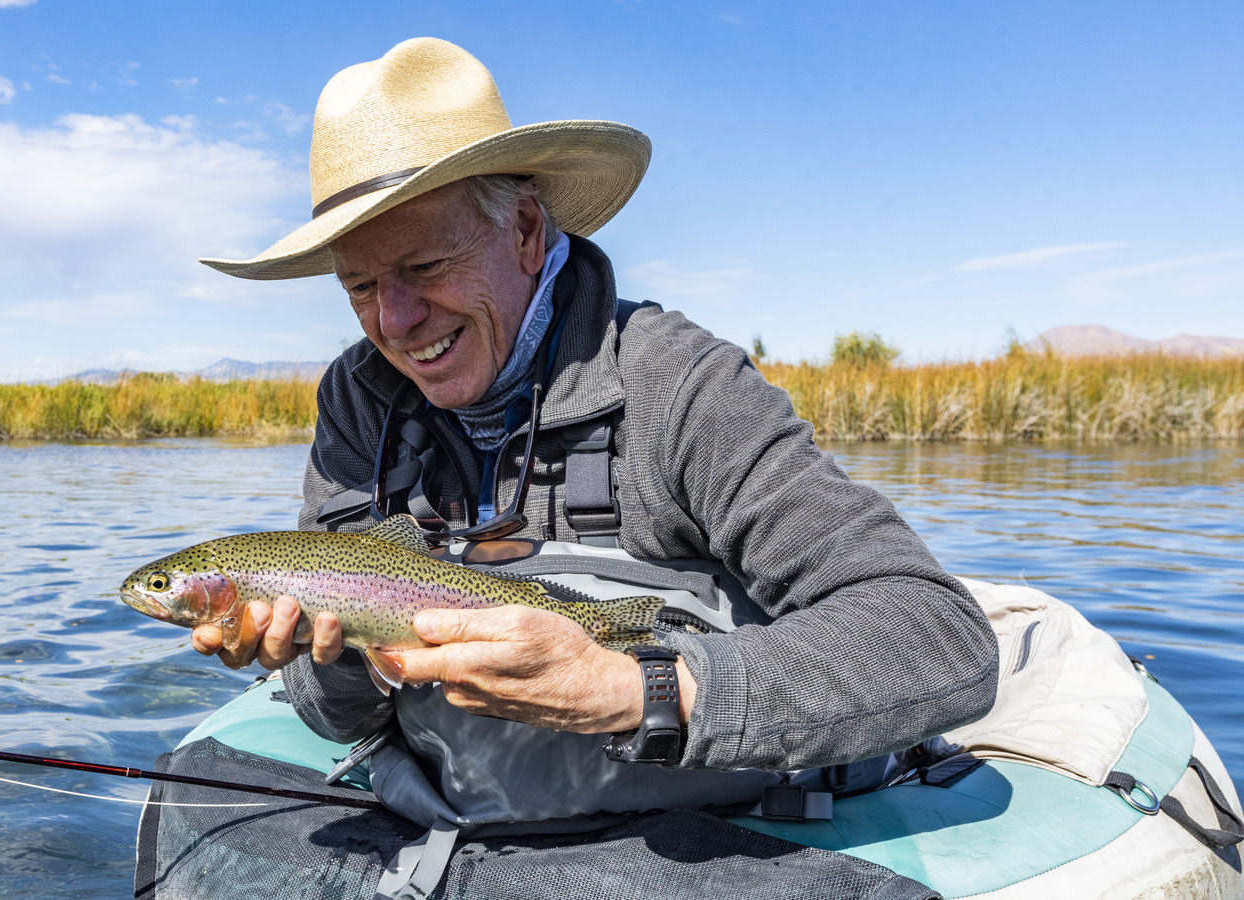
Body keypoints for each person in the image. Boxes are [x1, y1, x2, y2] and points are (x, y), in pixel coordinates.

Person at [190, 37, 997, 790]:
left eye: (425, 266)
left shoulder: (679, 383)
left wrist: (627, 686)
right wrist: (334, 654)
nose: (394, 321)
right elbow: (332, 712)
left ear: (528, 231)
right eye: (360, 287)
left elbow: (937, 635)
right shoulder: (358, 400)